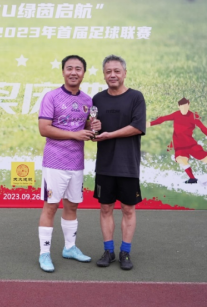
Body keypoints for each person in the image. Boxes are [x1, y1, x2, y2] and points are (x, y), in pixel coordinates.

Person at [37, 55, 100, 273]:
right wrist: (74, 135)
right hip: (54, 162)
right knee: (51, 206)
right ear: (63, 71)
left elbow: (88, 130)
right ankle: (44, 253)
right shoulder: (51, 97)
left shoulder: (88, 101)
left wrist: (94, 128)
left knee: (72, 206)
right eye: (69, 68)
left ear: (84, 73)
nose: (74, 72)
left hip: (76, 163)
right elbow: (44, 129)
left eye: (78, 69)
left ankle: (70, 248)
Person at [92, 55, 146, 270]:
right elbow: (93, 129)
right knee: (105, 208)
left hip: (128, 165)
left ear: (124, 73)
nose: (112, 75)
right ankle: (108, 251)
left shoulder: (136, 97)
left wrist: (110, 134)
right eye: (108, 72)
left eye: (116, 71)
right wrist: (93, 128)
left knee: (128, 209)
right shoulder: (97, 99)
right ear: (104, 75)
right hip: (105, 165)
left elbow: (138, 127)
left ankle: (125, 252)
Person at [146, 98, 207, 184]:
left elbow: (202, 128)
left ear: (189, 106)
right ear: (179, 106)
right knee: (180, 159)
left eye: (186, 106)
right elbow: (162, 119)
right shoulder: (176, 114)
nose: (184, 109)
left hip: (191, 145)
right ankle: (192, 179)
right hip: (179, 146)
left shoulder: (193, 116)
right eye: (182, 107)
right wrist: (149, 124)